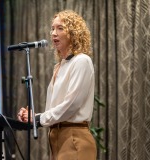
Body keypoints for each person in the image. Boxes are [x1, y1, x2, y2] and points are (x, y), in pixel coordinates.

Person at [17, 10, 97, 160]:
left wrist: (38, 118)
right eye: (53, 28)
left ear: (73, 33)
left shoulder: (82, 61)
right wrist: (33, 116)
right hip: (56, 136)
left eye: (60, 28)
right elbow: (56, 108)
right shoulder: (59, 66)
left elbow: (71, 105)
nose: (54, 33)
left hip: (74, 136)